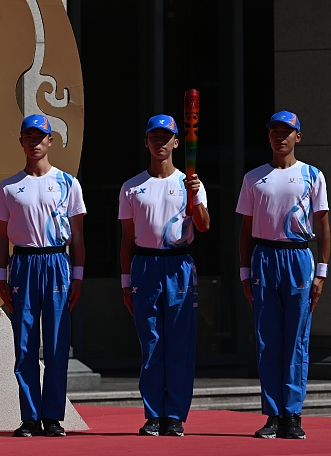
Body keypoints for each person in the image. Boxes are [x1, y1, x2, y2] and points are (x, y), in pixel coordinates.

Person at [236, 111, 331, 440]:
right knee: (268, 341)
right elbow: (245, 230)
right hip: (264, 258)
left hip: (298, 257)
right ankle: (273, 415)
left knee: (296, 341)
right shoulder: (253, 178)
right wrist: (245, 272)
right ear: (269, 137)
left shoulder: (312, 176)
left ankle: (293, 414)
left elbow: (322, 224)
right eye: (275, 131)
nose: (280, 137)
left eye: (286, 132)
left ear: (297, 137)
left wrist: (322, 272)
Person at [0, 114, 86, 437]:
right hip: (24, 265)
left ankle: (53, 417)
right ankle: (29, 416)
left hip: (57, 262)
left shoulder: (68, 184)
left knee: (58, 342)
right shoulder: (8, 188)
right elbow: (1, 237)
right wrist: (1, 278)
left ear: (50, 140)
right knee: (25, 343)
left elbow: (79, 236)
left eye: (40, 136)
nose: (34, 142)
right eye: (28, 136)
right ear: (21, 142)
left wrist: (79, 276)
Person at [119, 115, 209, 437]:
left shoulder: (190, 183)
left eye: (166, 137)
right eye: (154, 137)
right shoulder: (132, 187)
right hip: (145, 265)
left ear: (176, 142)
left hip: (179, 265)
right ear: (146, 142)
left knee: (180, 344)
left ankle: (176, 416)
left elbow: (203, 225)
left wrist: (195, 196)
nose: (160, 142)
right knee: (152, 343)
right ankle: (153, 414)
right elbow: (127, 239)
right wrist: (126, 282)